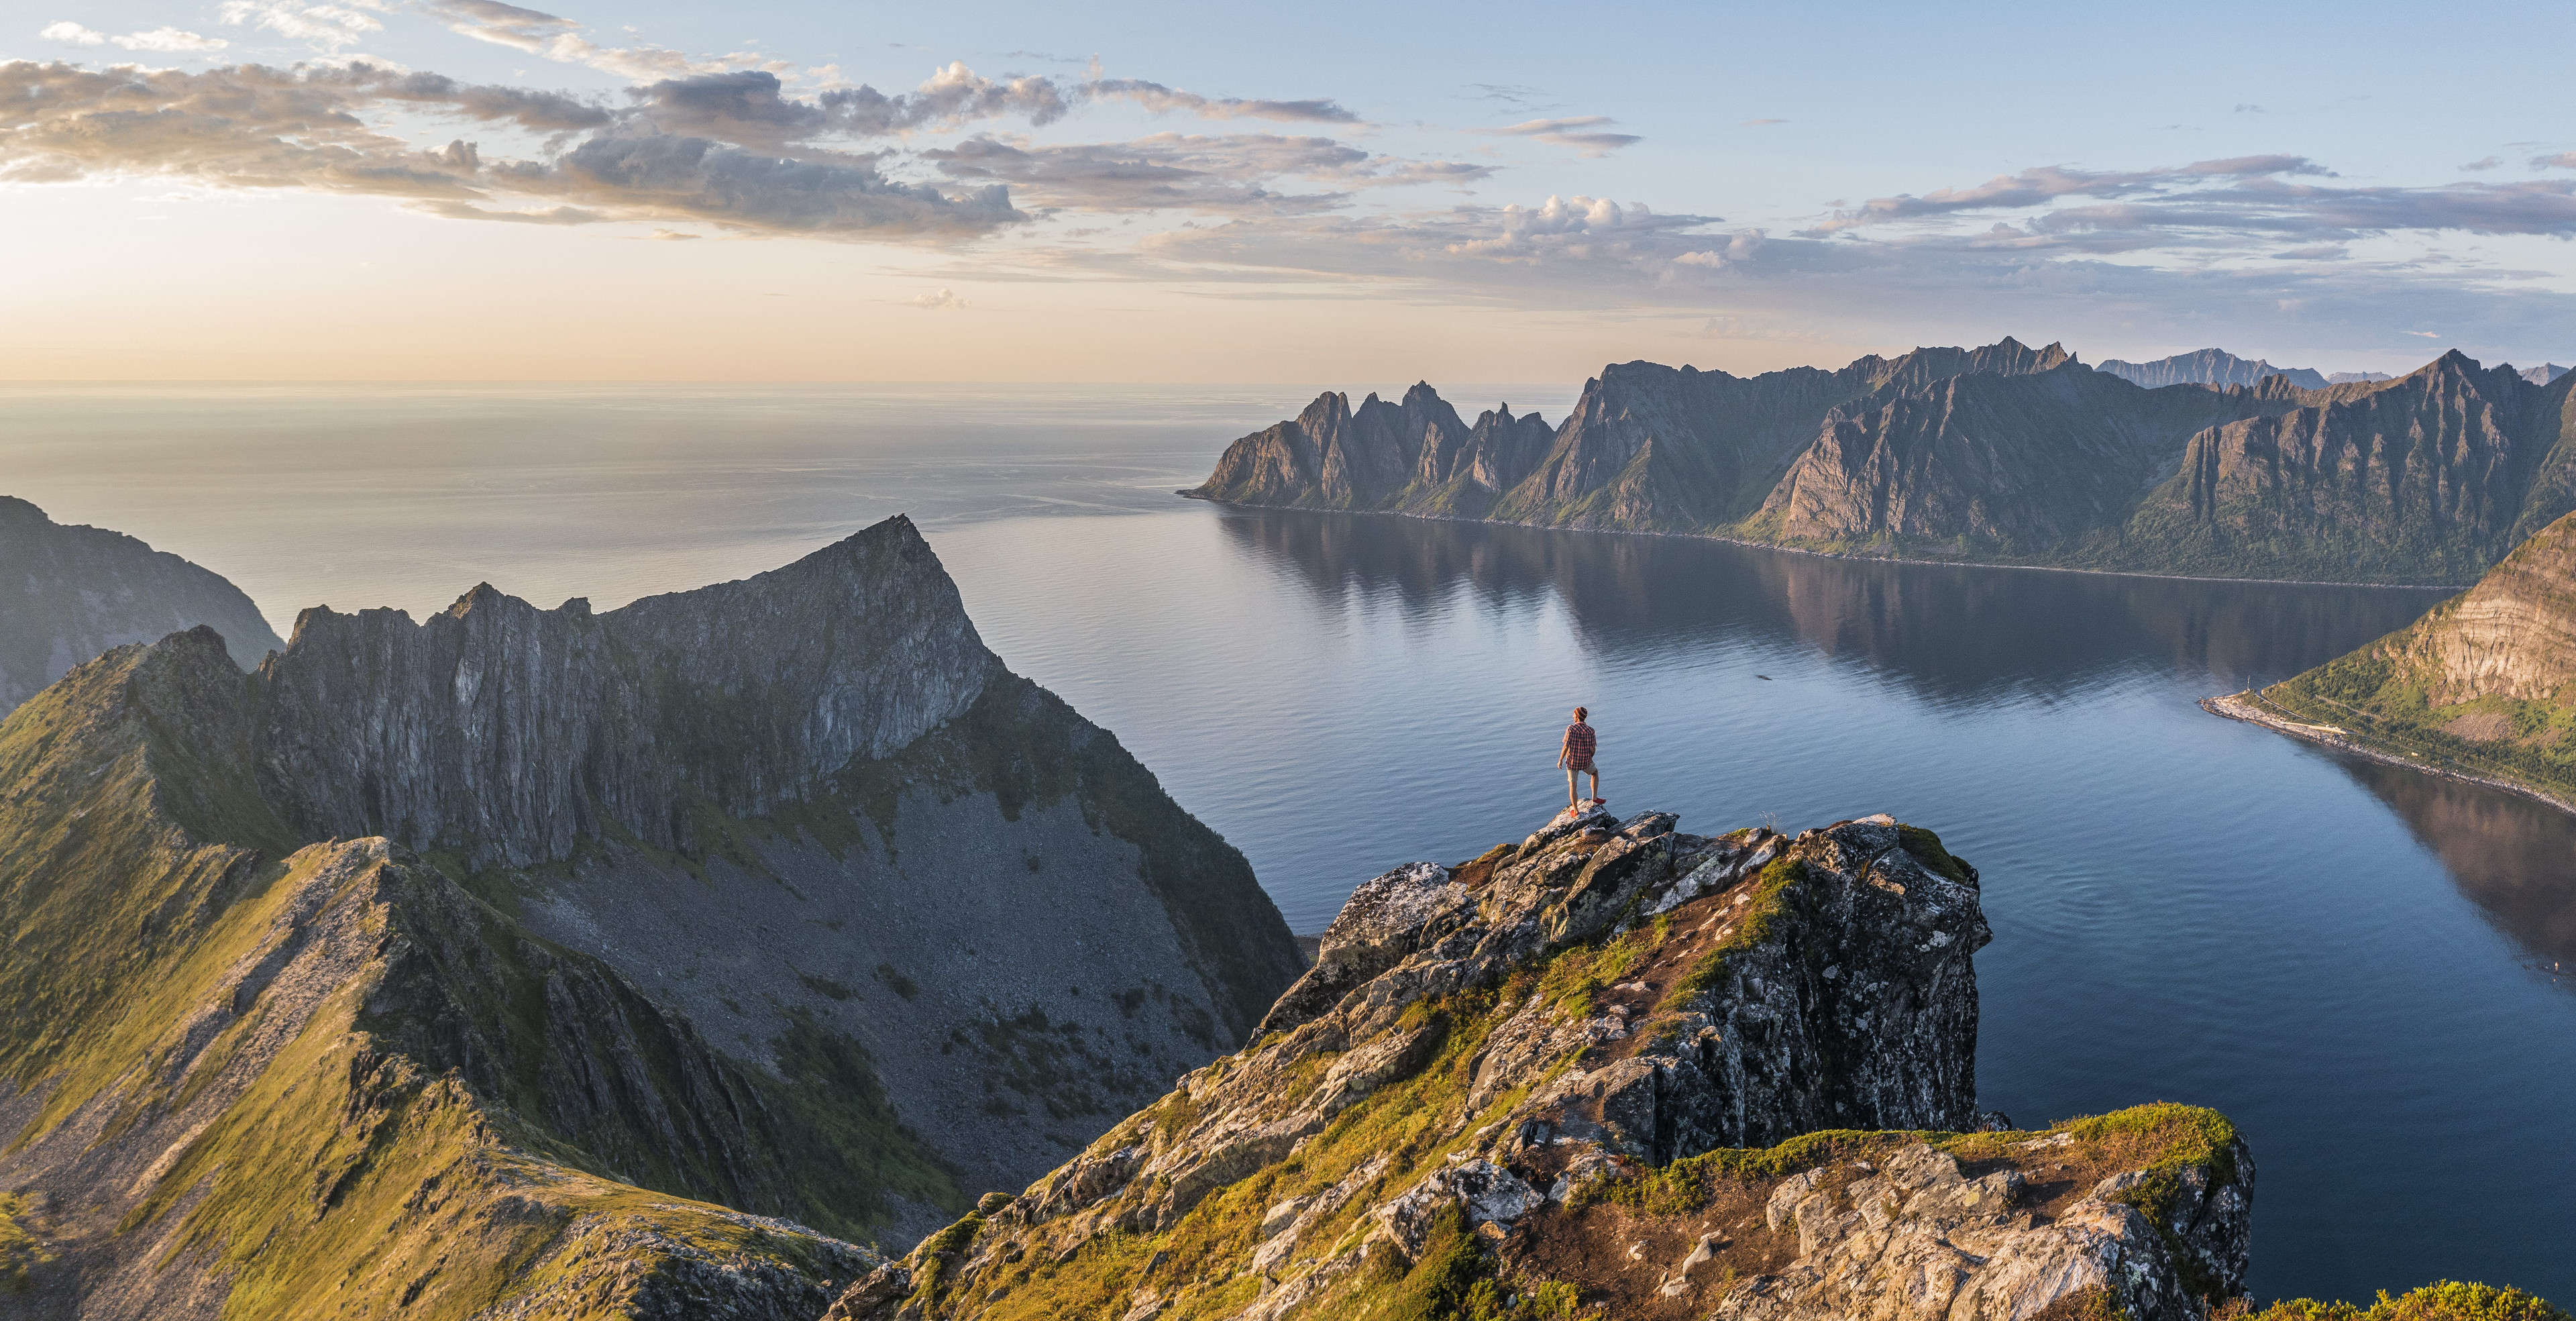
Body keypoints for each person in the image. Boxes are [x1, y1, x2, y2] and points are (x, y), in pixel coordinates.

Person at [1558, 706, 1602, 810]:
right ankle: (1594, 799)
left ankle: (1576, 810)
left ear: (1577, 717)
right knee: (1595, 773)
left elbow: (1566, 746)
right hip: (1585, 762)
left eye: (1574, 714)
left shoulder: (1571, 729)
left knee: (1573, 785)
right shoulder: (1590, 730)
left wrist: (1560, 760)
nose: (1573, 716)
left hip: (1572, 762)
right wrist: (1589, 758)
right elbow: (1593, 749)